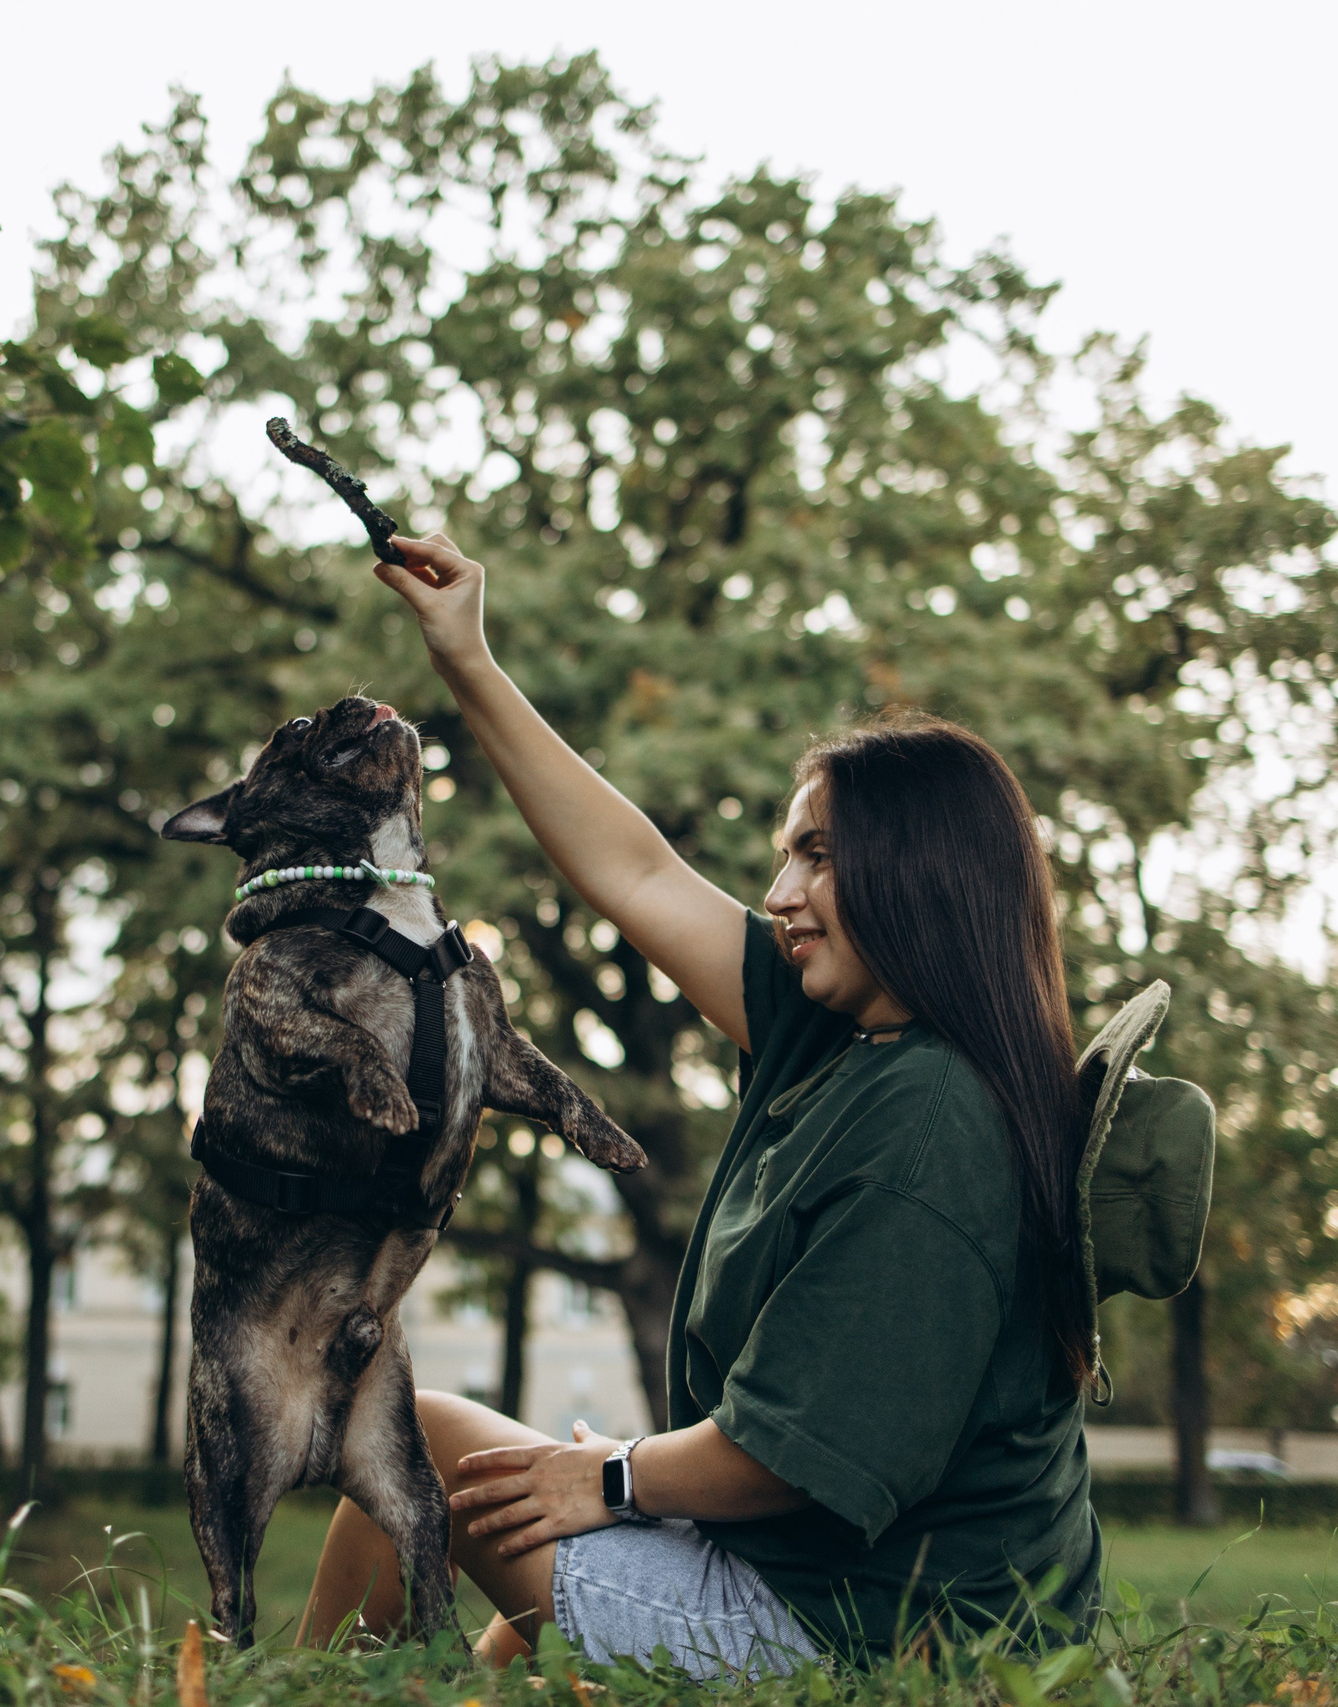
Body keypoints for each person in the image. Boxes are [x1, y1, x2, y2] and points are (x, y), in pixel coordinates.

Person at [298, 533, 1103, 1674]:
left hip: (879, 1638)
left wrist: (618, 1477)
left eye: (817, 858)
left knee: (418, 1441)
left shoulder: (932, 1115)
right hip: (819, 1582)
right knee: (505, 1639)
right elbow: (636, 871)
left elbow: (803, 1453)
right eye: (786, 856)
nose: (779, 894)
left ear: (923, 876)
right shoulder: (837, 1041)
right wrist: (467, 658)